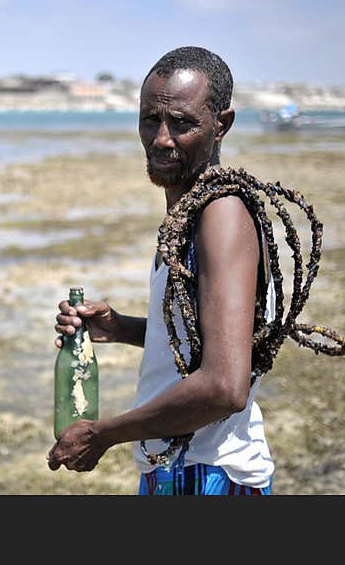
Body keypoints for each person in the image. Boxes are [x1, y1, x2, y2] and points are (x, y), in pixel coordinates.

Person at [48, 46, 276, 495]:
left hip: (208, 475)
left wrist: (103, 434)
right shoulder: (188, 219)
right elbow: (205, 338)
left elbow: (224, 386)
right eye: (150, 119)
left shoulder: (221, 215)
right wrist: (118, 328)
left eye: (183, 123)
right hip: (176, 470)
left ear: (221, 125)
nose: (162, 138)